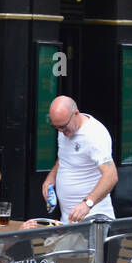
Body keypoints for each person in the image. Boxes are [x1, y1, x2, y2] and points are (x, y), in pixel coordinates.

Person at [42, 96, 118, 224]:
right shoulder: (65, 127)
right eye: (56, 127)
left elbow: (111, 175)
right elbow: (65, 156)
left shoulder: (94, 135)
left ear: (76, 114)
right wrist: (51, 177)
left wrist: (87, 203)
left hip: (92, 215)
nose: (61, 131)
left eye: (64, 127)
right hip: (68, 218)